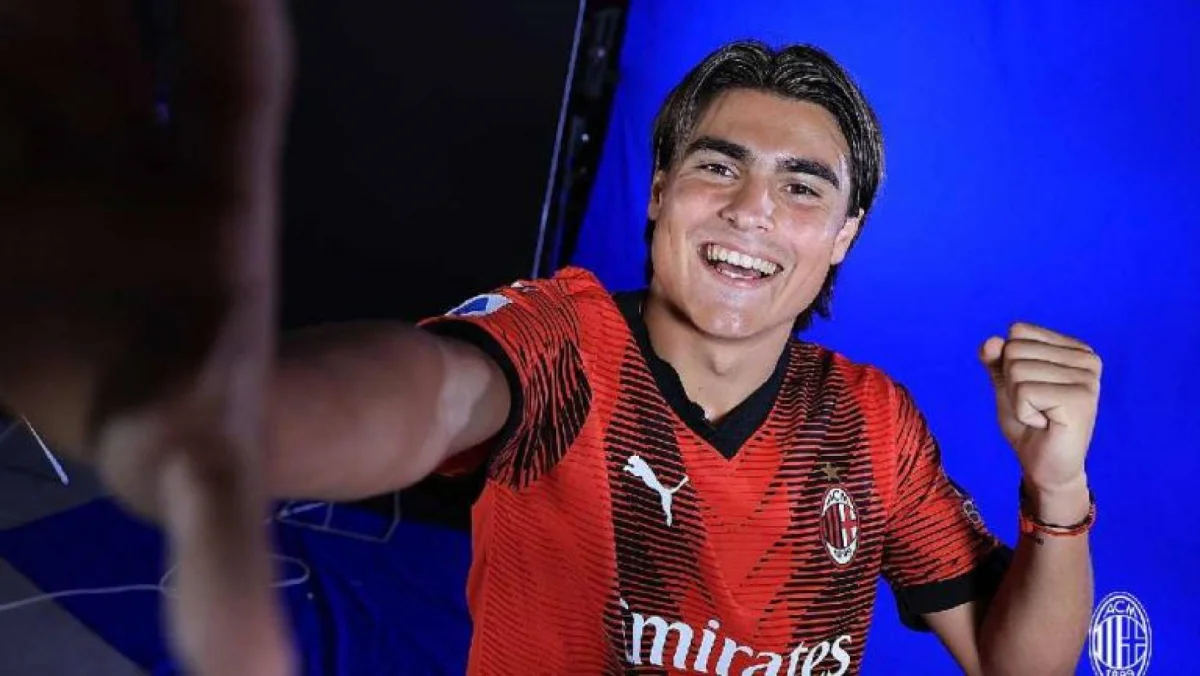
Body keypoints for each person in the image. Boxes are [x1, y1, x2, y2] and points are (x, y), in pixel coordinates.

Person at [0, 2, 1100, 675]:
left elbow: (1019, 666)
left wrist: (1057, 485)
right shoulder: (567, 339)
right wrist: (240, 405)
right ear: (659, 194)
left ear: (844, 236)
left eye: (801, 186)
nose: (751, 210)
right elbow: (433, 393)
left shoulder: (872, 422)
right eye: (717, 166)